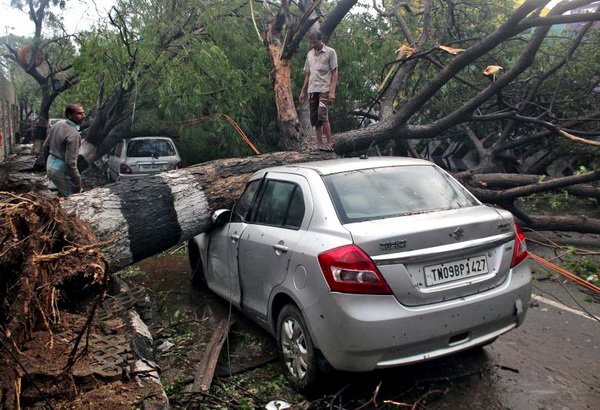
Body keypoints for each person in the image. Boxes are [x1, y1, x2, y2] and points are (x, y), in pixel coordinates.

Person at [299, 31, 338, 151]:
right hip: (312, 89)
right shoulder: (310, 54)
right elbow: (308, 74)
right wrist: (303, 91)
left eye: (315, 42)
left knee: (322, 114)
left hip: (324, 89)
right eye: (311, 43)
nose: (313, 45)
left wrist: (332, 91)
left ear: (321, 40)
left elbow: (335, 72)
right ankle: (320, 145)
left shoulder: (330, 52)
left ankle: (330, 143)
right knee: (314, 118)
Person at [43, 103, 86, 196]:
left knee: (62, 193)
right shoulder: (74, 134)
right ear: (70, 115)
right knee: (73, 197)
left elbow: (45, 147)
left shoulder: (58, 124)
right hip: (60, 169)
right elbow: (70, 163)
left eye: (83, 113)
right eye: (79, 113)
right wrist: (78, 182)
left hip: (50, 164)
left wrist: (46, 165)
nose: (83, 116)